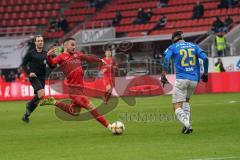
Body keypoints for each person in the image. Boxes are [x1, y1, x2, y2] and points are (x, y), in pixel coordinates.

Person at [40, 38, 112, 131]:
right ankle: (110, 127)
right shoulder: (61, 56)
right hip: (74, 90)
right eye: (72, 45)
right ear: (65, 46)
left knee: (74, 112)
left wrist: (99, 60)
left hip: (80, 88)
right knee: (91, 107)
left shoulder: (77, 54)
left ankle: (54, 102)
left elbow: (87, 57)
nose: (74, 47)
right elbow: (52, 63)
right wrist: (48, 56)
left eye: (75, 45)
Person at [161, 31, 209, 134]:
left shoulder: (173, 47)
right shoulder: (194, 46)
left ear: (173, 39)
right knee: (186, 101)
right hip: (194, 79)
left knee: (176, 105)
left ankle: (187, 124)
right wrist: (205, 73)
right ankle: (187, 126)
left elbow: (166, 59)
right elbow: (205, 58)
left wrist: (163, 74)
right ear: (182, 37)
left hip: (182, 79)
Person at [21, 35, 52, 123]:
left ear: (43, 42)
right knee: (41, 94)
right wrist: (29, 72)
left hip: (42, 78)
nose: (40, 42)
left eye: (41, 41)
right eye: (38, 41)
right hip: (34, 77)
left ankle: (26, 116)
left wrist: (51, 58)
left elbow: (52, 66)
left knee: (38, 99)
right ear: (35, 43)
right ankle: (29, 104)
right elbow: (23, 64)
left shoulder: (46, 54)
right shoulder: (31, 53)